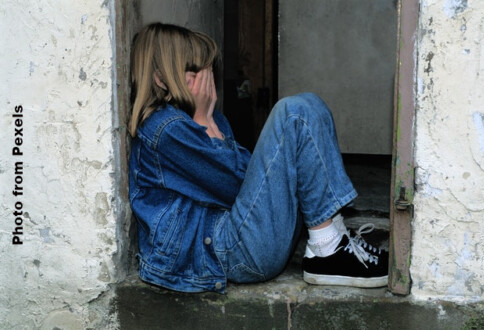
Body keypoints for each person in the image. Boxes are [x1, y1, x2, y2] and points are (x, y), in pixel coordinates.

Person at [128, 23, 388, 293]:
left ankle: (332, 239)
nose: (207, 83)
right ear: (160, 79)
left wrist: (210, 123)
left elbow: (249, 182)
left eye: (208, 72)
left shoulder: (202, 120)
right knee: (293, 113)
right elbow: (237, 186)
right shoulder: (166, 129)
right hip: (226, 252)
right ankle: (327, 250)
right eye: (195, 73)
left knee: (309, 104)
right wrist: (205, 122)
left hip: (238, 237)